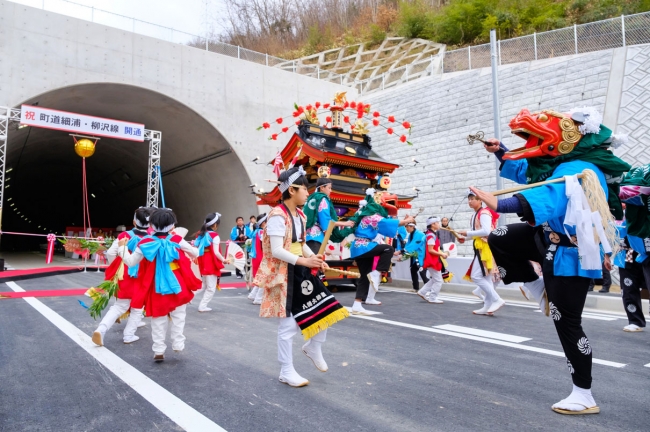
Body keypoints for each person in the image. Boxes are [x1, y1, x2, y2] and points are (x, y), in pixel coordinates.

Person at [472, 106, 631, 414]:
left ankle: (583, 394)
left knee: (567, 323)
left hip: (572, 254)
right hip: (547, 240)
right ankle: (537, 289)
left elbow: (551, 195)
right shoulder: (562, 162)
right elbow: (532, 173)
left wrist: (501, 202)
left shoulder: (580, 168)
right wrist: (500, 151)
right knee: (501, 237)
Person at [253, 166, 348, 387]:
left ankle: (314, 346)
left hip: (301, 270)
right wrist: (306, 261)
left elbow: (301, 244)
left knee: (326, 308)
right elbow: (277, 250)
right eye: (305, 189)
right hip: (285, 273)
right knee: (288, 327)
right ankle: (286, 370)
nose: (308, 193)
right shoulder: (276, 215)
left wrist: (315, 258)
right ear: (292, 190)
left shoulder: (301, 215)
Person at [118, 208, 201, 361]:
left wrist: (122, 247)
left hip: (156, 285)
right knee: (179, 315)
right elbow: (195, 253)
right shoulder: (176, 239)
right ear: (172, 225)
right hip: (177, 282)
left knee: (158, 317)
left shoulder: (145, 242)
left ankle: (158, 350)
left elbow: (130, 262)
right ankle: (177, 344)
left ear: (151, 224)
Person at [332, 188, 415, 314]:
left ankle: (357, 304)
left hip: (360, 247)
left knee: (364, 278)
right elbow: (387, 223)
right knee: (388, 248)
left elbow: (387, 225)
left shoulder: (365, 215)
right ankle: (377, 273)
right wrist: (407, 221)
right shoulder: (371, 215)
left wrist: (403, 221)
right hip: (364, 246)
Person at [92, 207, 150, 346]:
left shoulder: (124, 235)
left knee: (119, 306)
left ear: (134, 222)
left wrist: (118, 266)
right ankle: (128, 335)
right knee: (137, 307)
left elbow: (111, 253)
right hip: (142, 276)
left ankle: (101, 329)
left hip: (124, 274)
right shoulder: (150, 239)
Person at [456, 190, 506, 315]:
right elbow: (477, 233)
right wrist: (465, 238)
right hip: (480, 247)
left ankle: (497, 299)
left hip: (486, 248)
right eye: (469, 199)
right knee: (486, 278)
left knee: (476, 276)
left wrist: (467, 233)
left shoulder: (484, 213)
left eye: (473, 198)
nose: (470, 201)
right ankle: (487, 306)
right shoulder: (475, 215)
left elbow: (486, 231)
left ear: (480, 200)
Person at [304, 176, 354, 254]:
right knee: (315, 263)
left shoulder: (310, 198)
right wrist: (345, 223)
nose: (331, 190)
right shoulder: (322, 199)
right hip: (316, 237)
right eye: (329, 188)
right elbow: (326, 222)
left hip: (306, 236)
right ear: (322, 188)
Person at [194, 212, 227, 312]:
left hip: (203, 262)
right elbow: (216, 252)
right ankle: (202, 306)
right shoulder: (214, 236)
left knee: (203, 285)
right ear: (215, 224)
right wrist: (224, 260)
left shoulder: (200, 234)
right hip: (211, 263)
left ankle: (185, 298)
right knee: (211, 288)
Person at [417, 217, 449, 303]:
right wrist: (442, 254)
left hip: (431, 260)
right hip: (432, 260)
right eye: (437, 223)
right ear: (433, 224)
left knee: (435, 279)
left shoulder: (429, 234)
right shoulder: (431, 235)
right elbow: (431, 250)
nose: (439, 224)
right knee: (438, 280)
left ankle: (422, 292)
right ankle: (432, 297)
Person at [396, 222, 429, 293]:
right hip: (416, 256)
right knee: (413, 270)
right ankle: (415, 288)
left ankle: (429, 288)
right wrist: (402, 256)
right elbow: (408, 246)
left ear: (412, 227)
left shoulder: (419, 234)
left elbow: (413, 246)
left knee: (422, 272)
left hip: (422, 256)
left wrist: (401, 252)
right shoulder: (412, 234)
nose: (406, 229)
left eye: (407, 227)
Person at [248, 213, 267, 305]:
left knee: (260, 277)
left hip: (256, 257)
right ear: (263, 222)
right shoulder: (262, 232)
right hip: (262, 257)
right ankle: (258, 298)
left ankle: (253, 294)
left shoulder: (256, 232)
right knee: (264, 277)